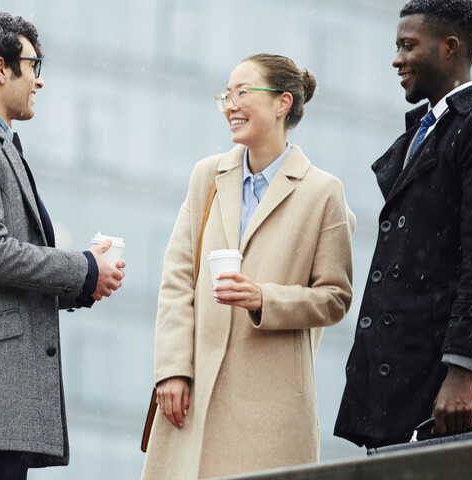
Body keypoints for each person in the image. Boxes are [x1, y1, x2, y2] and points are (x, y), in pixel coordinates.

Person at [0, 10, 126, 479]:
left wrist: (83, 282)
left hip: (0, 403)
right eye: (34, 65)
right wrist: (82, 268)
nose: (39, 81)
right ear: (0, 68)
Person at [141, 54, 355, 479]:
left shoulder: (323, 192)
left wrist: (264, 299)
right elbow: (177, 280)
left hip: (272, 405)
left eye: (243, 93)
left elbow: (335, 298)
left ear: (282, 103)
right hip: (195, 392)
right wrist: (172, 370)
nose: (230, 105)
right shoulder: (207, 176)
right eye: (227, 94)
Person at [335, 0, 472, 449]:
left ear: (450, 47)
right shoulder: (428, 131)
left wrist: (463, 370)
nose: (397, 58)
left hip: (442, 383)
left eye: (407, 45)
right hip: (401, 373)